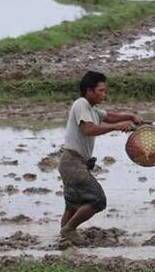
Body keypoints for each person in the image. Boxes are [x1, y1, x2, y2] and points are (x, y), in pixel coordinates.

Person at [58, 71, 141, 245]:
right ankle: (69, 230)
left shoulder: (92, 108)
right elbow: (88, 129)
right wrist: (117, 127)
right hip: (73, 163)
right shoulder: (81, 104)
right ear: (89, 90)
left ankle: (64, 240)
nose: (104, 94)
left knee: (73, 204)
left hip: (71, 163)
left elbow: (109, 116)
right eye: (101, 90)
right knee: (97, 200)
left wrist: (131, 117)